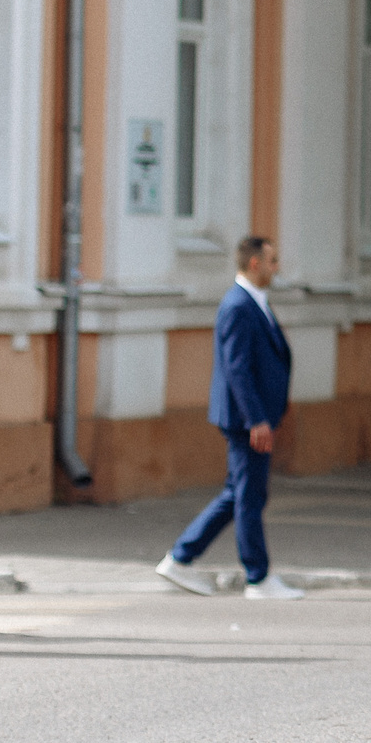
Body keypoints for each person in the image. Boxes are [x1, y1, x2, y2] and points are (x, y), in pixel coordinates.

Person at [157, 236, 302, 599]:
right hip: (246, 420)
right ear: (255, 263)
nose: (276, 267)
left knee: (238, 494)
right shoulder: (238, 305)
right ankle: (258, 577)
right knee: (249, 497)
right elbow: (237, 369)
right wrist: (256, 419)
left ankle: (180, 558)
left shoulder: (254, 302)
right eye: (272, 260)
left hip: (253, 417)